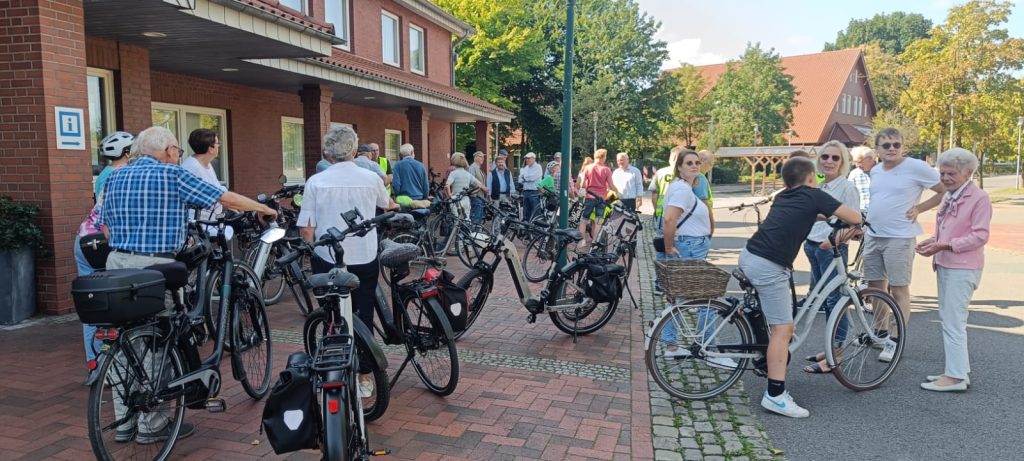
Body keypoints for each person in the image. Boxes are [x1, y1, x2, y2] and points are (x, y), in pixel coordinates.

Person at [101, 126, 275, 443]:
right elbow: (223, 197)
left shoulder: (115, 176)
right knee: (159, 341)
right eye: (178, 151)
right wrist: (264, 209)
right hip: (154, 265)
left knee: (126, 342)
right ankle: (153, 425)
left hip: (116, 263)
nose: (178, 156)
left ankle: (125, 422)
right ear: (169, 150)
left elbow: (107, 225)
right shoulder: (171, 175)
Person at [738, 157, 861, 418]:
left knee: (775, 321)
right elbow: (854, 216)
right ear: (810, 178)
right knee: (783, 328)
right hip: (769, 265)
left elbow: (809, 213)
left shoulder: (785, 195)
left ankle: (764, 354)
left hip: (751, 255)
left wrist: (824, 215)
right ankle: (775, 395)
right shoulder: (816, 194)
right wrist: (853, 221)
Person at [297, 125, 396, 400]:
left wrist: (311, 251)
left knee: (331, 314)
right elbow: (386, 205)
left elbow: (307, 227)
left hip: (328, 259)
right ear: (355, 149)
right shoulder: (370, 177)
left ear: (328, 151)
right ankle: (364, 376)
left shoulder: (315, 182)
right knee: (364, 313)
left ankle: (332, 371)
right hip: (364, 255)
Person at [865, 128, 944, 363]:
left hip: (899, 237)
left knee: (899, 288)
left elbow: (942, 190)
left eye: (896, 145)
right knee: (876, 287)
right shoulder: (876, 170)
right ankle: (879, 332)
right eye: (886, 145)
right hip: (873, 235)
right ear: (877, 148)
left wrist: (919, 209)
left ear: (902, 147)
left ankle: (895, 339)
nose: (891, 149)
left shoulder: (916, 167)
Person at [916, 148, 991, 392]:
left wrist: (946, 244)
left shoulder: (979, 198)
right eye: (943, 173)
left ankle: (955, 377)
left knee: (954, 322)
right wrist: (933, 240)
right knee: (950, 320)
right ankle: (957, 371)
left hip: (963, 267)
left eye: (951, 173)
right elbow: (946, 228)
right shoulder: (951, 194)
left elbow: (980, 235)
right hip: (946, 263)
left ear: (968, 173)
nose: (945, 178)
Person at [660, 149, 735, 369]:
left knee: (677, 296)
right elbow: (669, 219)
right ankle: (708, 348)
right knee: (706, 300)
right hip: (689, 246)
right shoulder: (683, 190)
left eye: (697, 163)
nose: (694, 166)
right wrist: (669, 246)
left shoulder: (682, 187)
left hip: (689, 244)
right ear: (680, 167)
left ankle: (671, 344)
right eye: (689, 163)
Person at [800, 141, 861, 374]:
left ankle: (836, 355)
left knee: (836, 301)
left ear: (843, 162)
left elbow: (856, 223)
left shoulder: (846, 187)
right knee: (825, 301)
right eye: (825, 157)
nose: (829, 161)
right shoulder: (822, 186)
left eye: (835, 158)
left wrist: (833, 241)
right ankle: (830, 348)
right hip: (813, 246)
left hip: (830, 249)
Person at [78, 131, 134, 377]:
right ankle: (114, 368)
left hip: (83, 241)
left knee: (91, 302)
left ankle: (95, 366)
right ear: (128, 153)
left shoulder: (103, 175)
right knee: (113, 305)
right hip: (105, 242)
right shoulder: (124, 175)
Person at [649, 147, 683, 294]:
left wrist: (657, 211)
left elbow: (654, 195)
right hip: (679, 218)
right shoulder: (683, 174)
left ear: (671, 157)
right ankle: (672, 282)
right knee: (676, 249)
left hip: (662, 215)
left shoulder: (660, 173)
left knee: (661, 249)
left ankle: (659, 283)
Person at [182, 128, 228, 220]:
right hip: (199, 226)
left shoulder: (207, 164)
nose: (219, 146)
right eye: (217, 143)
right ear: (210, 149)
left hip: (211, 221)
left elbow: (218, 188)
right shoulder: (192, 167)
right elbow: (216, 195)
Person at [578, 149, 618, 245]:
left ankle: (582, 240)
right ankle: (595, 241)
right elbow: (611, 186)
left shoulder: (588, 168)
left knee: (584, 220)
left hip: (589, 197)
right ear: (603, 157)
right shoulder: (606, 169)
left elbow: (583, 184)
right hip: (601, 199)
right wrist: (617, 192)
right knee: (598, 222)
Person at [445, 152, 487, 220]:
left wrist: (450, 195)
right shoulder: (467, 174)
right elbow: (479, 184)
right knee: (467, 219)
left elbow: (447, 185)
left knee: (456, 220)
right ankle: (471, 231)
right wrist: (473, 192)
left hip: (455, 199)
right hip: (466, 199)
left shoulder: (453, 173)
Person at [848, 146, 875, 212]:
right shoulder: (854, 174)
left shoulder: (883, 172)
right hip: (861, 214)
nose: (857, 165)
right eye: (855, 162)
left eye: (859, 162)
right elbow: (849, 195)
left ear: (870, 159)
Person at [519, 152, 543, 220]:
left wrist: (524, 177)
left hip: (534, 192)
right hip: (526, 191)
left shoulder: (538, 167)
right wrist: (525, 177)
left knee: (535, 211)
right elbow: (520, 180)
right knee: (526, 212)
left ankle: (536, 228)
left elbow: (531, 178)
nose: (527, 160)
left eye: (528, 158)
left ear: (533, 158)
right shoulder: (526, 167)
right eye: (526, 158)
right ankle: (527, 228)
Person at [466, 151, 488, 224]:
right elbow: (471, 181)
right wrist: (483, 187)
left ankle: (476, 232)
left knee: (479, 216)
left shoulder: (478, 168)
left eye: (483, 157)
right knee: (476, 217)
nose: (483, 158)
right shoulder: (472, 167)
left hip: (480, 196)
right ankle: (473, 233)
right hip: (475, 196)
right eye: (481, 156)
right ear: (476, 158)